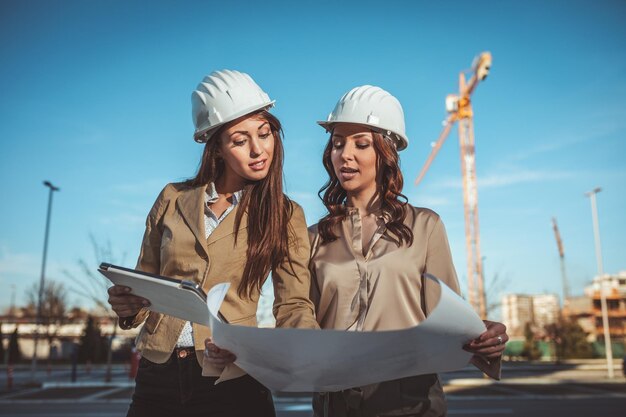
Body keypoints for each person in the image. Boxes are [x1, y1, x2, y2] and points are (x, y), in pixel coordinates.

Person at [106, 69, 318, 417]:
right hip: (157, 372)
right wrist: (128, 306)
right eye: (239, 140)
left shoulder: (286, 213)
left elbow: (294, 304)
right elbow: (145, 285)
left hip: (235, 375)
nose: (257, 149)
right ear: (216, 147)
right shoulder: (173, 198)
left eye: (264, 134)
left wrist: (310, 350)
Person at [308, 85, 509, 417]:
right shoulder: (314, 238)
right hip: (334, 400)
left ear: (385, 152)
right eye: (338, 143)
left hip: (408, 398)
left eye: (361, 144)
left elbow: (447, 318)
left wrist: (483, 334)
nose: (345, 154)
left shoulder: (425, 226)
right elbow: (301, 324)